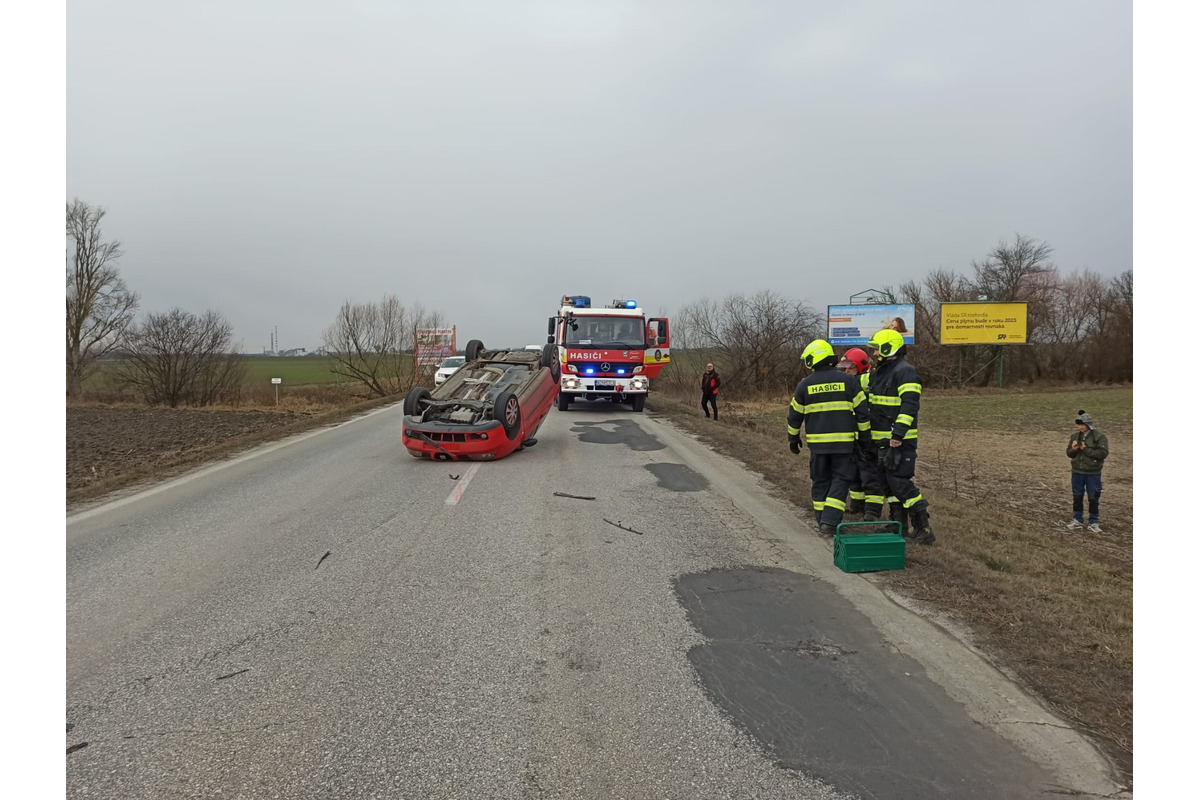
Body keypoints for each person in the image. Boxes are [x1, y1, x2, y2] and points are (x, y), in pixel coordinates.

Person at [787, 339, 871, 537]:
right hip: (844, 445)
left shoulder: (804, 385)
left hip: (818, 446)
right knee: (841, 480)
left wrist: (793, 438)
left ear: (813, 359)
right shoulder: (849, 381)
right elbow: (862, 413)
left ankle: (821, 518)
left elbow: (794, 415)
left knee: (820, 480)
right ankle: (830, 522)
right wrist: (865, 439)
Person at [865, 328, 934, 545]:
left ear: (888, 348)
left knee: (900, 482)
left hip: (899, 441)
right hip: (882, 440)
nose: (875, 354)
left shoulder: (906, 372)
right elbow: (859, 385)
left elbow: (910, 405)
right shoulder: (880, 372)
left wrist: (898, 435)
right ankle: (898, 524)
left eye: (877, 349)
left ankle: (923, 528)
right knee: (887, 483)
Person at [837, 347, 884, 520]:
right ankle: (857, 506)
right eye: (844, 368)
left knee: (870, 475)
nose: (847, 371)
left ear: (861, 368)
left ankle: (872, 511)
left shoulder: (868, 384)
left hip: (870, 437)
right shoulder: (848, 385)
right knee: (854, 474)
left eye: (851, 368)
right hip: (853, 436)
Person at [1066, 410, 1109, 532]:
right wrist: (1074, 449)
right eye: (1078, 424)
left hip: (1093, 473)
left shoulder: (1099, 437)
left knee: (1093, 497)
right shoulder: (1074, 436)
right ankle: (1077, 520)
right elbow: (1069, 453)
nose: (1079, 427)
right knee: (1077, 496)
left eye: (1082, 424)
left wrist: (1085, 449)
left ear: (1088, 424)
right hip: (1077, 472)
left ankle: (1094, 522)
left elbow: (1103, 453)